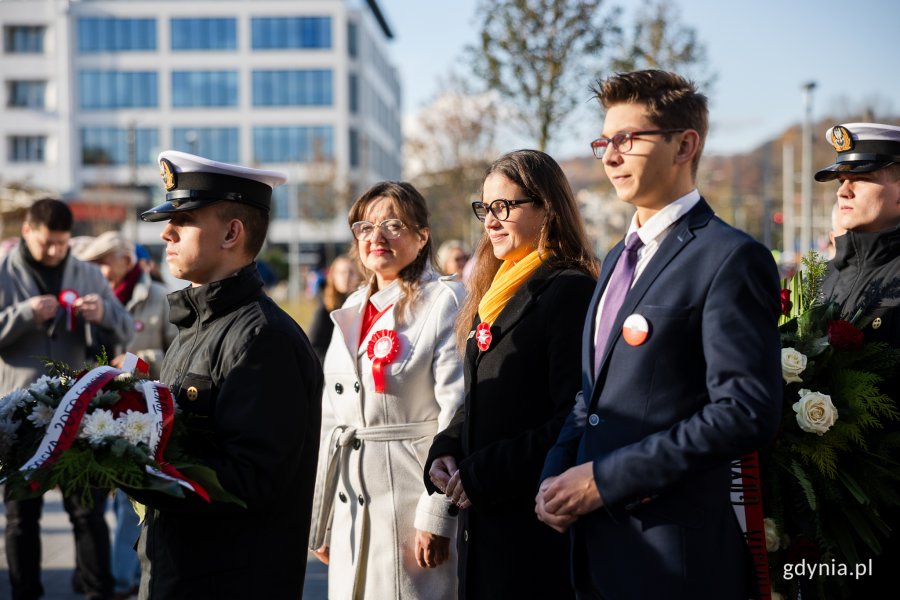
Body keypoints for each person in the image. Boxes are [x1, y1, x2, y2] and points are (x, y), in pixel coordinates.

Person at [534, 70, 782, 599]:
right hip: (595, 553)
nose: (610, 156)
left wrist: (606, 478)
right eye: (604, 141)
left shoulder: (729, 257)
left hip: (675, 562)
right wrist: (554, 476)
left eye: (628, 139)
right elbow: (590, 396)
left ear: (684, 145)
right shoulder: (618, 259)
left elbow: (745, 412)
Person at [129, 150, 323, 599]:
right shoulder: (197, 325)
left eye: (185, 219)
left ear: (232, 232)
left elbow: (248, 482)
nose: (166, 232)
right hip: (181, 570)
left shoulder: (263, 338)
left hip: (229, 580)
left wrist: (133, 467)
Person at [423, 150, 597, 599]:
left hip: (533, 529)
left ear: (547, 209)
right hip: (485, 525)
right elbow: (480, 394)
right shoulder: (496, 288)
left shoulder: (568, 289)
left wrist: (486, 471)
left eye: (505, 207)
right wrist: (446, 447)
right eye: (485, 208)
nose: (491, 221)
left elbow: (573, 417)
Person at [309, 181, 465, 600]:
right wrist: (320, 518)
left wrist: (438, 514)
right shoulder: (353, 306)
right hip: (350, 506)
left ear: (421, 236)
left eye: (393, 225)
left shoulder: (444, 301)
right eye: (365, 227)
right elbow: (331, 420)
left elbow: (456, 413)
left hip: (409, 505)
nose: (376, 237)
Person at [0, 198, 133, 600]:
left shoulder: (89, 273)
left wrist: (104, 314)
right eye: (46, 244)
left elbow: (125, 328)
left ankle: (97, 593)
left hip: (79, 410)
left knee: (88, 512)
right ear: (27, 232)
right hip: (19, 413)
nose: (55, 252)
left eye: (61, 244)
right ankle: (25, 594)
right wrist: (23, 314)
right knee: (22, 517)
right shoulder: (3, 273)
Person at [813, 121, 900, 596]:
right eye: (840, 177)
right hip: (827, 512)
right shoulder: (825, 277)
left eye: (862, 176)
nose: (844, 187)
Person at [77, 230, 178, 600]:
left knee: (127, 502)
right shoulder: (91, 301)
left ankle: (123, 581)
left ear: (125, 260)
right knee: (89, 505)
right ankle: (97, 578)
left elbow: (178, 355)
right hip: (95, 415)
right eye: (94, 263)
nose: (100, 271)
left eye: (104, 261)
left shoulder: (158, 297)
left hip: (140, 417)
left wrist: (141, 362)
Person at [307, 254, 361, 361]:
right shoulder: (325, 307)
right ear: (333, 276)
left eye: (351, 272)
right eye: (342, 273)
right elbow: (314, 346)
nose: (346, 277)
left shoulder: (361, 305)